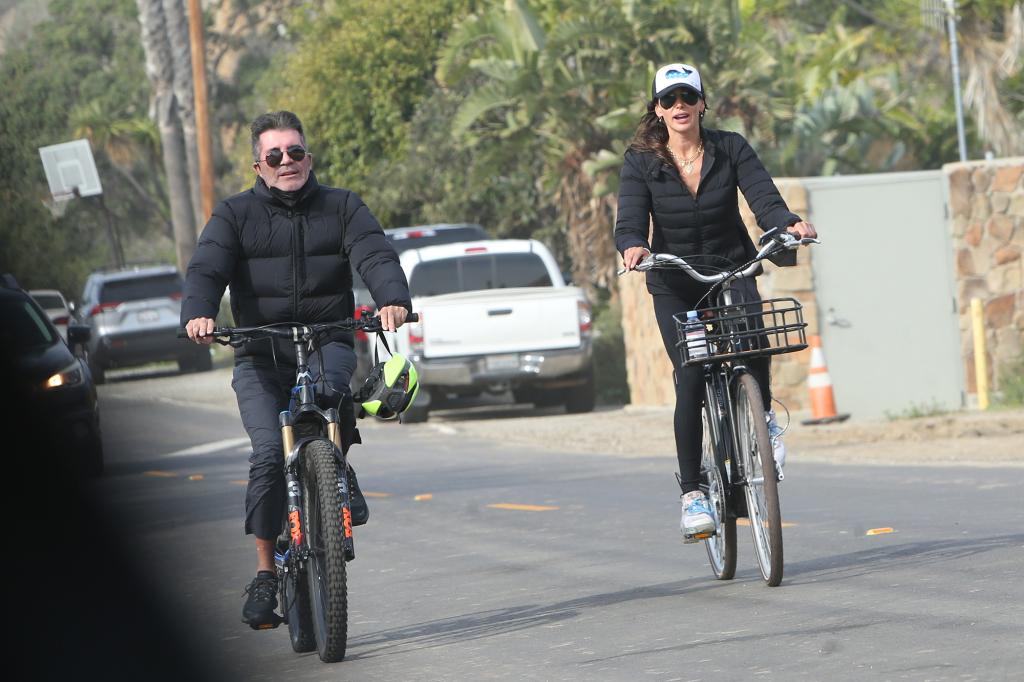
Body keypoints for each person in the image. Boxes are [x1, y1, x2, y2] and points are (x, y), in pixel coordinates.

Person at [181, 110, 412, 628]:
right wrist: (199, 312)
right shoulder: (234, 215)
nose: (288, 162)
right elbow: (208, 266)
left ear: (309, 156)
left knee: (334, 396)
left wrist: (393, 298)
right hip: (260, 351)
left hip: (326, 336)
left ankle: (337, 473)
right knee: (268, 453)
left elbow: (375, 254)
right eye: (275, 156)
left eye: (296, 152)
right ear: (258, 166)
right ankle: (266, 574)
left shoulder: (343, 205)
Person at [614, 64, 817, 542]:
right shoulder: (641, 160)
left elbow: (764, 198)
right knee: (692, 373)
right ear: (657, 109)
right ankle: (692, 495)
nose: (680, 106)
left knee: (755, 341)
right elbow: (629, 219)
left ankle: (762, 420)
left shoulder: (730, 148)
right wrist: (632, 247)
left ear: (703, 102)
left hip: (731, 265)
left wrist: (787, 223)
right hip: (675, 279)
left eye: (688, 96)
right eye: (669, 99)